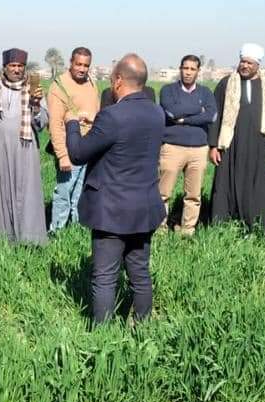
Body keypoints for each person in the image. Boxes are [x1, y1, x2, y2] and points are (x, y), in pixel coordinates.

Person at [65, 54, 165, 324]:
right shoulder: (156, 113)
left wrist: (73, 123)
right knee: (140, 273)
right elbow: (125, 135)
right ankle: (142, 326)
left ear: (119, 80)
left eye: (111, 80)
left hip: (112, 210)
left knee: (105, 277)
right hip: (144, 207)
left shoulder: (112, 116)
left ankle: (102, 337)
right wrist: (96, 120)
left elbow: (77, 154)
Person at [208, 43, 265, 232]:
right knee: (224, 185)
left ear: (258, 65)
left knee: (257, 187)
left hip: (260, 145)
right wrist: (213, 146)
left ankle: (255, 227)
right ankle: (222, 227)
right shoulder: (226, 83)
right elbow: (215, 115)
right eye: (243, 61)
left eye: (249, 63)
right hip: (230, 144)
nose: (245, 66)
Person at [0, 48, 49, 245]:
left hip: (25, 151)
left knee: (26, 194)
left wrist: (36, 105)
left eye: (20, 66)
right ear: (5, 67)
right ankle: (2, 237)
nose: (17, 69)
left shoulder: (34, 91)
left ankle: (29, 239)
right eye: (13, 65)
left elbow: (41, 124)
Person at [157, 54, 217, 235]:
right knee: (163, 193)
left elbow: (212, 115)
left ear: (198, 71)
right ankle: (159, 228)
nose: (188, 72)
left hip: (199, 149)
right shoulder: (168, 90)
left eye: (192, 69)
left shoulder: (206, 92)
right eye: (185, 68)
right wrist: (199, 111)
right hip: (172, 147)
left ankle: (187, 230)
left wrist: (183, 119)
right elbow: (171, 112)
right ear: (180, 69)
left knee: (193, 195)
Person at [48, 47, 100, 233]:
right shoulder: (59, 86)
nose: (82, 69)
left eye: (86, 65)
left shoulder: (92, 84)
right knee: (64, 192)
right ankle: (57, 232)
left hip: (89, 147)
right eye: (78, 64)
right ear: (71, 62)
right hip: (70, 148)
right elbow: (55, 124)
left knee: (80, 192)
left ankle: (77, 229)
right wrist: (62, 155)